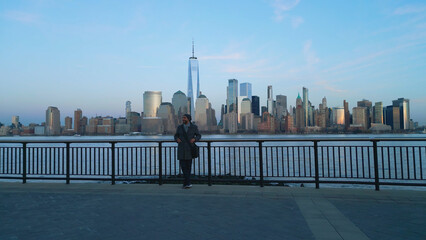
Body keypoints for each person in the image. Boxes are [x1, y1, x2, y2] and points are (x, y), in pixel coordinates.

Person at [174, 114, 201, 189]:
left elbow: (199, 135)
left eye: (184, 118)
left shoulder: (194, 127)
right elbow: (176, 135)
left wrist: (195, 139)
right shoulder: (180, 127)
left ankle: (186, 183)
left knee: (188, 167)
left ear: (188, 119)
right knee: (183, 166)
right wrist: (177, 139)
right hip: (181, 149)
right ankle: (187, 182)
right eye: (182, 118)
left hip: (190, 149)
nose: (183, 119)